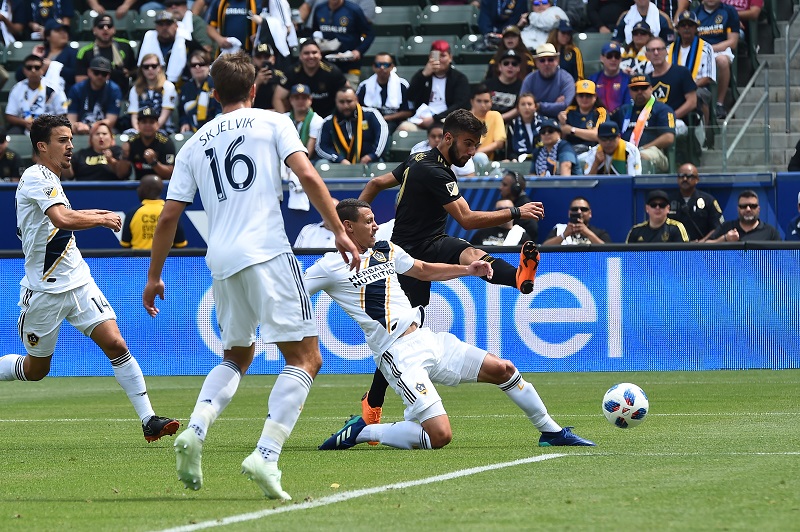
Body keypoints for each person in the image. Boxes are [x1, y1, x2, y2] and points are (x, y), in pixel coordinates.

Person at [143, 51, 360, 499]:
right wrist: (338, 230)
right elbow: (309, 177)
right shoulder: (274, 122)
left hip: (221, 261)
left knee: (236, 356)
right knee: (305, 359)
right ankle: (266, 454)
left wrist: (153, 276)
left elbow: (167, 219)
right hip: (267, 251)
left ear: (214, 93)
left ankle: (196, 429)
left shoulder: (192, 144)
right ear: (255, 90)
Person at [308, 199, 595, 451]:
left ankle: (552, 432)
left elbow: (422, 269)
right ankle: (363, 431)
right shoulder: (329, 266)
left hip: (427, 339)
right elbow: (295, 291)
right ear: (347, 227)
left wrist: (468, 269)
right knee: (440, 436)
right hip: (398, 356)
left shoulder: (386, 249)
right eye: (369, 222)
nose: (375, 226)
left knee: (503, 369)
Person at [356, 109, 544, 425]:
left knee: (473, 254)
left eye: (475, 144)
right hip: (409, 256)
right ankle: (372, 403)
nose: (472, 152)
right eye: (468, 143)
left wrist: (357, 220)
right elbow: (467, 218)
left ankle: (519, 276)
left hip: (434, 240)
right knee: (401, 338)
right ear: (447, 138)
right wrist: (516, 211)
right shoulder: (433, 171)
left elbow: (376, 182)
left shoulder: (419, 160)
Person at [1, 114, 179, 443]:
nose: (71, 146)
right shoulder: (34, 176)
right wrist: (98, 219)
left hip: (79, 281)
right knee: (36, 370)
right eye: (62, 140)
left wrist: (96, 214)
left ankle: (149, 420)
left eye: (71, 139)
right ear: (42, 146)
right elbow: (62, 217)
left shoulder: (50, 177)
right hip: (45, 292)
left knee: (117, 344)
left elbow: (62, 219)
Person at [609, 74, 676, 173]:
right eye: (635, 89)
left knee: (640, 157)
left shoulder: (663, 109)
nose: (639, 92)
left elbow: (669, 137)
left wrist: (641, 149)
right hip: (624, 151)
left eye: (643, 88)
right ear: (630, 91)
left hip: (653, 151)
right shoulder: (623, 110)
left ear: (651, 88)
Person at [401, 40, 471, 132]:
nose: (439, 60)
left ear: (450, 58)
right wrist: (424, 75)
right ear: (429, 57)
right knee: (403, 128)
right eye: (435, 56)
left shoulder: (459, 78)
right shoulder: (422, 75)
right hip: (421, 118)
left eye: (443, 56)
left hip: (446, 118)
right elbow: (410, 97)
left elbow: (460, 105)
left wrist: (435, 118)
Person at [273, 40, 348, 117]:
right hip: (299, 118)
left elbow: (347, 92)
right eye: (306, 53)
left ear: (320, 55)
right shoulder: (292, 72)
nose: (311, 56)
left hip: (329, 117)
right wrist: (284, 121)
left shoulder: (332, 71)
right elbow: (278, 98)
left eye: (314, 52)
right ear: (300, 56)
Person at [316, 86, 389, 164]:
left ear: (356, 100)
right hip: (339, 164)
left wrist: (372, 156)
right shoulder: (328, 122)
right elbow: (321, 147)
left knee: (379, 164)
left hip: (368, 162)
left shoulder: (371, 115)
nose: (346, 106)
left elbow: (383, 136)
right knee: (322, 163)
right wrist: (339, 159)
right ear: (336, 102)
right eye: (341, 102)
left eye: (349, 101)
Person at [667, 11, 716, 128]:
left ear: (696, 28)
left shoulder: (706, 48)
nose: (687, 28)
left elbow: (707, 77)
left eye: (690, 25)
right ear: (678, 29)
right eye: (683, 25)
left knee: (698, 96)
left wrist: (688, 87)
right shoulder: (669, 49)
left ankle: (704, 134)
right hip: (673, 88)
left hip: (698, 87)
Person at [309, 0, 374, 86]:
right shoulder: (320, 9)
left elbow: (369, 33)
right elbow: (315, 31)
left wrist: (359, 51)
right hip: (325, 64)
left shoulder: (354, 10)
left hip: (349, 65)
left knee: (347, 96)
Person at [694, 0, 739, 119]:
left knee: (722, 61)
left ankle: (719, 104)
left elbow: (733, 42)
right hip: (699, 51)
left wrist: (709, 49)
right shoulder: (695, 13)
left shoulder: (729, 11)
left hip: (720, 49)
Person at [647, 37, 697, 140]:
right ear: (647, 55)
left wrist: (670, 117)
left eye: (659, 49)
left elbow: (692, 102)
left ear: (666, 52)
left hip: (678, 121)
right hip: (653, 123)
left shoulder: (682, 72)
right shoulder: (646, 79)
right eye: (652, 50)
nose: (656, 53)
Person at [75, 14, 137, 95]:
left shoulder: (125, 46)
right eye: (101, 26)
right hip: (95, 96)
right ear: (94, 30)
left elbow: (136, 71)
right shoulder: (84, 52)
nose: (105, 29)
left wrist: (128, 73)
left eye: (109, 26)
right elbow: (80, 81)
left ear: (114, 29)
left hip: (124, 94)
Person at [5, 55, 68, 135]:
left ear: (42, 69)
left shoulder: (54, 89)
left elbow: (63, 114)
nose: (33, 70)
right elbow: (10, 115)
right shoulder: (17, 88)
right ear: (24, 70)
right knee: (11, 133)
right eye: (29, 67)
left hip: (49, 126)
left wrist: (46, 124)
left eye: (37, 67)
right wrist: (25, 123)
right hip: (24, 125)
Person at [121, 174, 187, 249]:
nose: (138, 189)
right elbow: (180, 244)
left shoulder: (132, 214)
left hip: (138, 260)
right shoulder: (171, 213)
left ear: (144, 190)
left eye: (140, 187)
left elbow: (125, 245)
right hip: (165, 260)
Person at [355, 52, 413, 135]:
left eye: (386, 65)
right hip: (369, 122)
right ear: (373, 67)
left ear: (392, 66)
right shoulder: (365, 85)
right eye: (378, 65)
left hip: (394, 122)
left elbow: (408, 111)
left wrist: (385, 118)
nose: (382, 68)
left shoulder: (402, 85)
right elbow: (357, 108)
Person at [667, 163, 724, 241]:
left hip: (701, 249)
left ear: (697, 179)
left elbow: (718, 227)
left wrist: (703, 241)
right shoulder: (668, 201)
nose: (684, 179)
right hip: (675, 250)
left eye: (689, 176)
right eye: (681, 176)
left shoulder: (708, 200)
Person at [116, 107, 177, 180]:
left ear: (157, 125)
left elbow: (170, 174)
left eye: (151, 122)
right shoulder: (132, 142)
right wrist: (124, 155)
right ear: (138, 125)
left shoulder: (166, 143)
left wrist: (154, 163)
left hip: (162, 185)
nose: (148, 125)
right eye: (144, 122)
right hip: (138, 185)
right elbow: (121, 174)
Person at [67, 56, 123, 134]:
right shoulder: (77, 89)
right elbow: (71, 119)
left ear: (109, 75)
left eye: (104, 73)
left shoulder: (114, 90)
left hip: (104, 130)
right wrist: (77, 126)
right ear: (89, 72)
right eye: (96, 72)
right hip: (79, 129)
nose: (100, 76)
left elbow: (110, 121)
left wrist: (90, 127)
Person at [519, 43, 575, 119]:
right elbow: (523, 105)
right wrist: (555, 106)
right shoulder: (529, 79)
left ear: (557, 61)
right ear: (536, 63)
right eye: (542, 60)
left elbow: (565, 106)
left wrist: (538, 106)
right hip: (534, 121)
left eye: (550, 60)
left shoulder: (567, 79)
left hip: (559, 123)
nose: (546, 63)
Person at [128, 54, 178, 134]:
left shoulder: (168, 87)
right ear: (141, 69)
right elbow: (134, 116)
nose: (150, 69)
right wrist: (140, 131)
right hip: (140, 130)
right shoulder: (135, 89)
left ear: (159, 68)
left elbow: (165, 115)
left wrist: (150, 131)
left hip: (163, 129)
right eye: (146, 67)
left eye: (154, 66)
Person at [707, 190, 780, 242]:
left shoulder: (770, 232)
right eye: (743, 206)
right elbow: (705, 248)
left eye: (752, 206)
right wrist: (725, 238)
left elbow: (781, 257)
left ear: (758, 209)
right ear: (738, 209)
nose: (748, 209)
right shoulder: (726, 227)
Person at [410, 122, 476, 178]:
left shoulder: (458, 149)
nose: (436, 140)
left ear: (447, 137)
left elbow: (469, 175)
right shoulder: (418, 150)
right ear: (428, 137)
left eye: (440, 136)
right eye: (433, 136)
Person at [558, 79, 607, 154]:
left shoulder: (600, 112)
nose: (584, 99)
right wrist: (562, 123)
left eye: (588, 96)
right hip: (570, 150)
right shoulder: (569, 111)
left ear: (595, 97)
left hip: (592, 151)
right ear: (576, 97)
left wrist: (572, 130)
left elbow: (597, 135)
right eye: (581, 95)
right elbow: (562, 135)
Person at [178, 50, 221, 133]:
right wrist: (184, 123)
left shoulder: (216, 85)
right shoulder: (185, 88)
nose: (197, 67)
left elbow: (220, 110)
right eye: (193, 65)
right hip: (191, 130)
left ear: (208, 66)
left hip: (213, 129)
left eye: (201, 64)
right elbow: (182, 112)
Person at [542, 196, 612, 245]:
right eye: (575, 209)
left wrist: (587, 233)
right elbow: (544, 249)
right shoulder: (559, 229)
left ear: (590, 213)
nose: (579, 212)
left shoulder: (599, 233)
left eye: (583, 209)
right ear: (569, 213)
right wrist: (564, 235)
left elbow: (610, 252)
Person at [469, 84, 507, 167]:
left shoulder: (495, 116)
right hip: (466, 158)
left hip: (486, 159)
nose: (483, 105)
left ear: (491, 102)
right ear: (472, 102)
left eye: (486, 101)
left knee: (480, 157)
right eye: (479, 101)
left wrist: (476, 153)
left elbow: (499, 143)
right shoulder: (465, 118)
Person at [589, 41, 631, 113]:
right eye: (609, 56)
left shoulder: (628, 80)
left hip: (620, 120)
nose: (613, 59)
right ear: (601, 58)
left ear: (620, 59)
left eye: (617, 56)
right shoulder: (592, 80)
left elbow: (628, 106)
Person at [482, 49, 523, 124]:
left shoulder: (523, 86)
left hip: (512, 124)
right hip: (487, 122)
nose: (510, 66)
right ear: (500, 66)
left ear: (518, 68)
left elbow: (520, 108)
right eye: (506, 63)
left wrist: (499, 119)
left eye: (514, 64)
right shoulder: (487, 84)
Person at [498, 169, 538, 240]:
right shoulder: (502, 202)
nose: (500, 188)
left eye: (505, 185)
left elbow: (532, 232)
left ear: (515, 189)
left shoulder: (525, 207)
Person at [286, 83, 324, 156]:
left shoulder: (317, 120)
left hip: (308, 160)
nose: (300, 101)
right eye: (297, 98)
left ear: (310, 100)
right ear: (291, 100)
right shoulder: (284, 118)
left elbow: (309, 152)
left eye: (304, 98)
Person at [507, 92, 540, 162]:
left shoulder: (544, 123)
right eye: (523, 104)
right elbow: (510, 151)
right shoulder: (512, 125)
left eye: (529, 104)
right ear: (518, 108)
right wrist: (514, 159)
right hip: (519, 162)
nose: (526, 107)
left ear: (535, 107)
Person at [252, 43, 283, 110]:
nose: (263, 60)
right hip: (254, 113)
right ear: (254, 60)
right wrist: (257, 82)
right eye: (259, 57)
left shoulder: (280, 76)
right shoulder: (248, 76)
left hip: (275, 113)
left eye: (266, 57)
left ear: (273, 59)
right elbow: (245, 100)